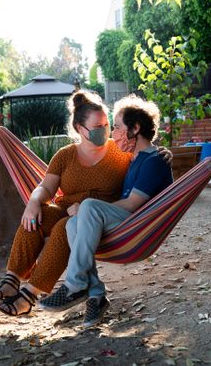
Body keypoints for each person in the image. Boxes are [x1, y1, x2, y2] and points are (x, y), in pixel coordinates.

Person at [0, 91, 172, 316]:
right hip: (68, 209)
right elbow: (46, 187)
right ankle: (11, 280)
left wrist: (163, 153)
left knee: (67, 225)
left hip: (100, 214)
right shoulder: (65, 155)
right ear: (81, 129)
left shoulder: (119, 151)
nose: (107, 131)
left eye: (108, 125)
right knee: (37, 215)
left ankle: (31, 294)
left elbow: (144, 151)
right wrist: (33, 201)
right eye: (98, 126)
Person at [38, 95, 173, 327]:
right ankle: (96, 296)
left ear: (135, 128)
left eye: (118, 127)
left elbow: (131, 204)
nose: (113, 133)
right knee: (72, 224)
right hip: (125, 223)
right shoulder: (135, 158)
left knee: (88, 207)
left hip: (138, 225)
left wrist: (87, 207)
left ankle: (75, 284)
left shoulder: (154, 160)